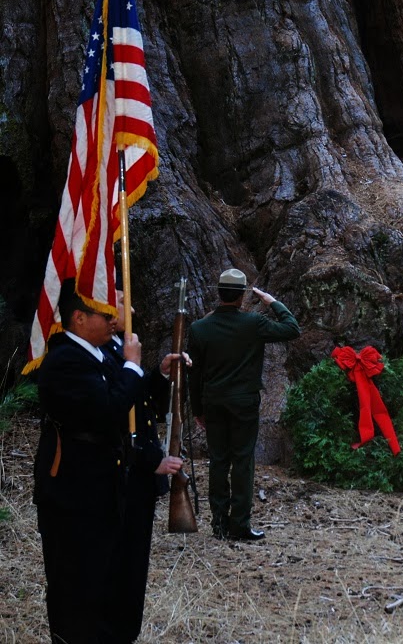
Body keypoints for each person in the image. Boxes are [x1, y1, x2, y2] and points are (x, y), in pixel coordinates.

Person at [33, 279, 145, 643]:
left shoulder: (94, 353)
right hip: (73, 491)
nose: (114, 319)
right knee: (75, 583)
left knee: (100, 577)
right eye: (105, 312)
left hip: (97, 486)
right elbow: (107, 411)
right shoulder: (66, 359)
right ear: (79, 318)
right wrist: (131, 367)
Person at [187, 269, 300, 541]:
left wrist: (197, 409)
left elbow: (194, 373)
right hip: (244, 403)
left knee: (218, 461)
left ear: (219, 293)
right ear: (240, 297)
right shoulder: (253, 323)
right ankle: (239, 523)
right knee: (242, 462)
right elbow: (292, 328)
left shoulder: (199, 328)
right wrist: (272, 301)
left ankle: (218, 524)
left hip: (213, 402)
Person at [104, 285, 186, 643]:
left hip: (136, 474)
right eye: (122, 301)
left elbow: (138, 402)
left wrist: (160, 375)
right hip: (125, 474)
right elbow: (115, 416)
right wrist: (152, 459)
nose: (132, 308)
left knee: (133, 566)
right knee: (121, 564)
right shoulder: (105, 354)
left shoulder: (116, 348)